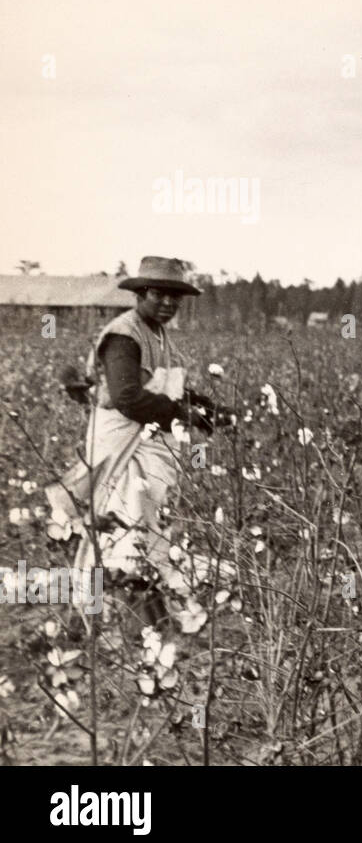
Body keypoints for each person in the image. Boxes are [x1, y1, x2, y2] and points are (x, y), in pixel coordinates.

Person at [45, 256, 233, 622]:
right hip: (121, 442)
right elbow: (128, 398)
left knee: (139, 526)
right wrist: (182, 415)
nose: (167, 303)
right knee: (124, 526)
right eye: (158, 294)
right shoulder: (124, 336)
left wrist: (207, 408)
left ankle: (136, 613)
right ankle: (110, 615)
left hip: (145, 438)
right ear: (140, 293)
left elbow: (165, 386)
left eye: (174, 297)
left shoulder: (159, 335)